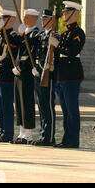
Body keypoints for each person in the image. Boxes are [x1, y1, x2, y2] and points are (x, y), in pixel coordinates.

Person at [49, 1, 85, 149]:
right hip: (61, 74)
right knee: (65, 110)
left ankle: (73, 140)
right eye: (64, 12)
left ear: (74, 14)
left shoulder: (78, 33)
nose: (64, 14)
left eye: (66, 12)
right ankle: (66, 138)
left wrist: (57, 45)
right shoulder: (65, 33)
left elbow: (72, 51)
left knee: (72, 110)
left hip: (71, 74)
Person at [11, 9, 40, 144]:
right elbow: (13, 42)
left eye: (27, 17)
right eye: (23, 17)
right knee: (19, 102)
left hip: (27, 71)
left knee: (27, 102)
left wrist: (24, 35)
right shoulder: (24, 33)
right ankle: (21, 132)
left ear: (34, 19)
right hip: (19, 71)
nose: (24, 20)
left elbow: (32, 51)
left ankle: (28, 134)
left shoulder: (35, 33)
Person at [0, 10, 20, 143]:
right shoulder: (1, 36)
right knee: (0, 106)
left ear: (11, 20)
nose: (1, 21)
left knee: (6, 106)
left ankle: (7, 133)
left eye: (4, 18)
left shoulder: (12, 36)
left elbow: (9, 57)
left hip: (6, 75)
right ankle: (2, 131)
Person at [32, 9, 57, 147]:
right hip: (38, 73)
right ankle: (43, 134)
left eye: (45, 18)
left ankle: (50, 136)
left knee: (48, 105)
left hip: (48, 75)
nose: (42, 20)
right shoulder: (41, 35)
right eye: (42, 18)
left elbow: (54, 58)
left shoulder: (55, 35)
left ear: (51, 20)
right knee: (41, 106)